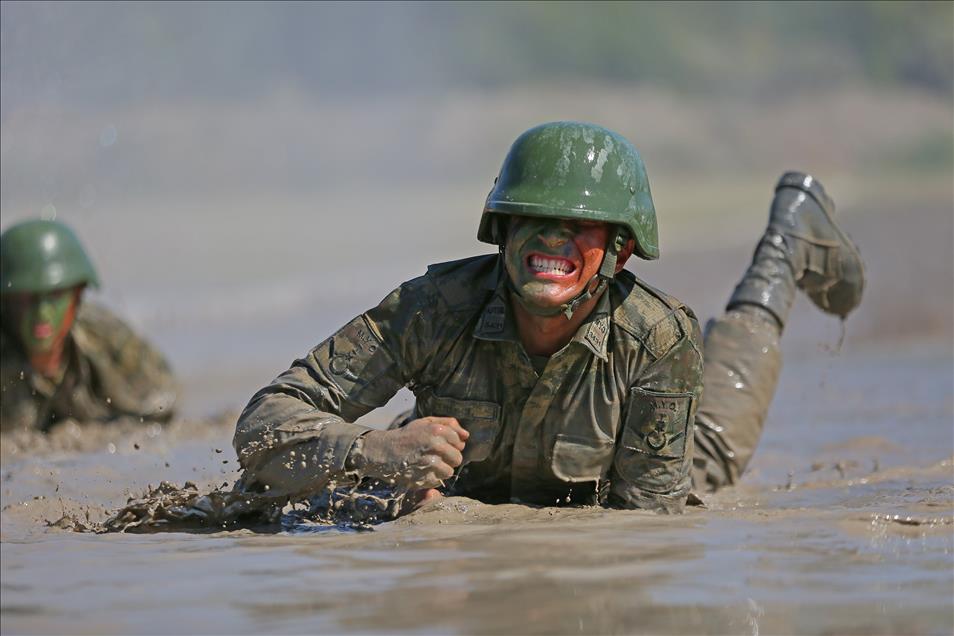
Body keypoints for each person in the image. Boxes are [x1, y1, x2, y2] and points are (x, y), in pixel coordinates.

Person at [232, 121, 864, 514]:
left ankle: (786, 245)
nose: (553, 240)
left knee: (718, 452)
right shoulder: (432, 309)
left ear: (620, 250)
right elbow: (264, 423)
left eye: (580, 227)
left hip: (655, 448)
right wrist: (376, 450)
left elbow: (647, 528)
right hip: (431, 461)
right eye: (534, 220)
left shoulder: (657, 339)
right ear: (503, 232)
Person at [0, 219, 177, 432]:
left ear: (77, 295)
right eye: (26, 299)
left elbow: (164, 397)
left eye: (55, 296)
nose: (42, 312)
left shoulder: (104, 339)